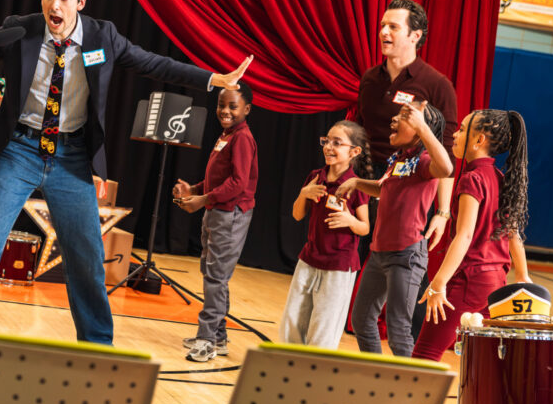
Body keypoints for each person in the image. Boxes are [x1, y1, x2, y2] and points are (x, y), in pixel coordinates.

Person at [0, 0, 251, 366]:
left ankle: (98, 354)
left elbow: (154, 63)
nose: (54, 5)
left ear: (80, 2)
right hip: (19, 149)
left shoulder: (101, 37)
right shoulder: (20, 29)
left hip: (71, 158)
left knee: (87, 260)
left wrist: (214, 79)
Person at [412, 110, 531, 360]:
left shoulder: (472, 179)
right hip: (495, 284)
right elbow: (513, 233)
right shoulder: (499, 178)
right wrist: (522, 275)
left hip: (469, 282)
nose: (455, 134)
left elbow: (464, 236)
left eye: (463, 129)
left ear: (479, 140)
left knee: (424, 355)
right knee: (481, 361)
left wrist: (439, 283)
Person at [339, 100, 453, 356]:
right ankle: (377, 373)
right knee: (361, 320)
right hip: (379, 253)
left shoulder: (425, 161)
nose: (394, 119)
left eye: (404, 117)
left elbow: (446, 169)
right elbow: (383, 189)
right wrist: (357, 182)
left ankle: (408, 382)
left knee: (398, 330)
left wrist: (422, 127)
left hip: (406, 256)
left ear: (421, 128)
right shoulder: (401, 159)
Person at [357, 0, 458, 252]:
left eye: (393, 27)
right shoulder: (370, 78)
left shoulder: (437, 85)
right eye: (382, 25)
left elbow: (446, 152)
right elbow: (359, 131)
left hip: (409, 183)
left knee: (399, 265)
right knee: (349, 262)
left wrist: (443, 212)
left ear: (415, 36)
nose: (383, 32)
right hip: (366, 177)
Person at [173, 87, 257, 362]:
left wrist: (202, 199)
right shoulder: (226, 135)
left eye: (232, 106)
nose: (225, 111)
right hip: (216, 210)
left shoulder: (242, 138)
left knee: (216, 277)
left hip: (230, 214)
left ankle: (207, 340)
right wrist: (194, 190)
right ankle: (218, 337)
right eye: (221, 105)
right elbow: (218, 179)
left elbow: (238, 183)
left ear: (246, 109)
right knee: (212, 273)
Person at [279, 120, 371, 349]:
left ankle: (316, 366)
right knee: (293, 320)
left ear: (354, 152)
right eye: (327, 141)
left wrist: (350, 220)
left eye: (337, 143)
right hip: (309, 258)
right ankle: (289, 361)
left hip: (338, 265)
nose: (329, 147)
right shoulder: (315, 176)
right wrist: (304, 193)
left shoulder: (356, 185)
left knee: (324, 326)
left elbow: (365, 227)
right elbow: (297, 215)